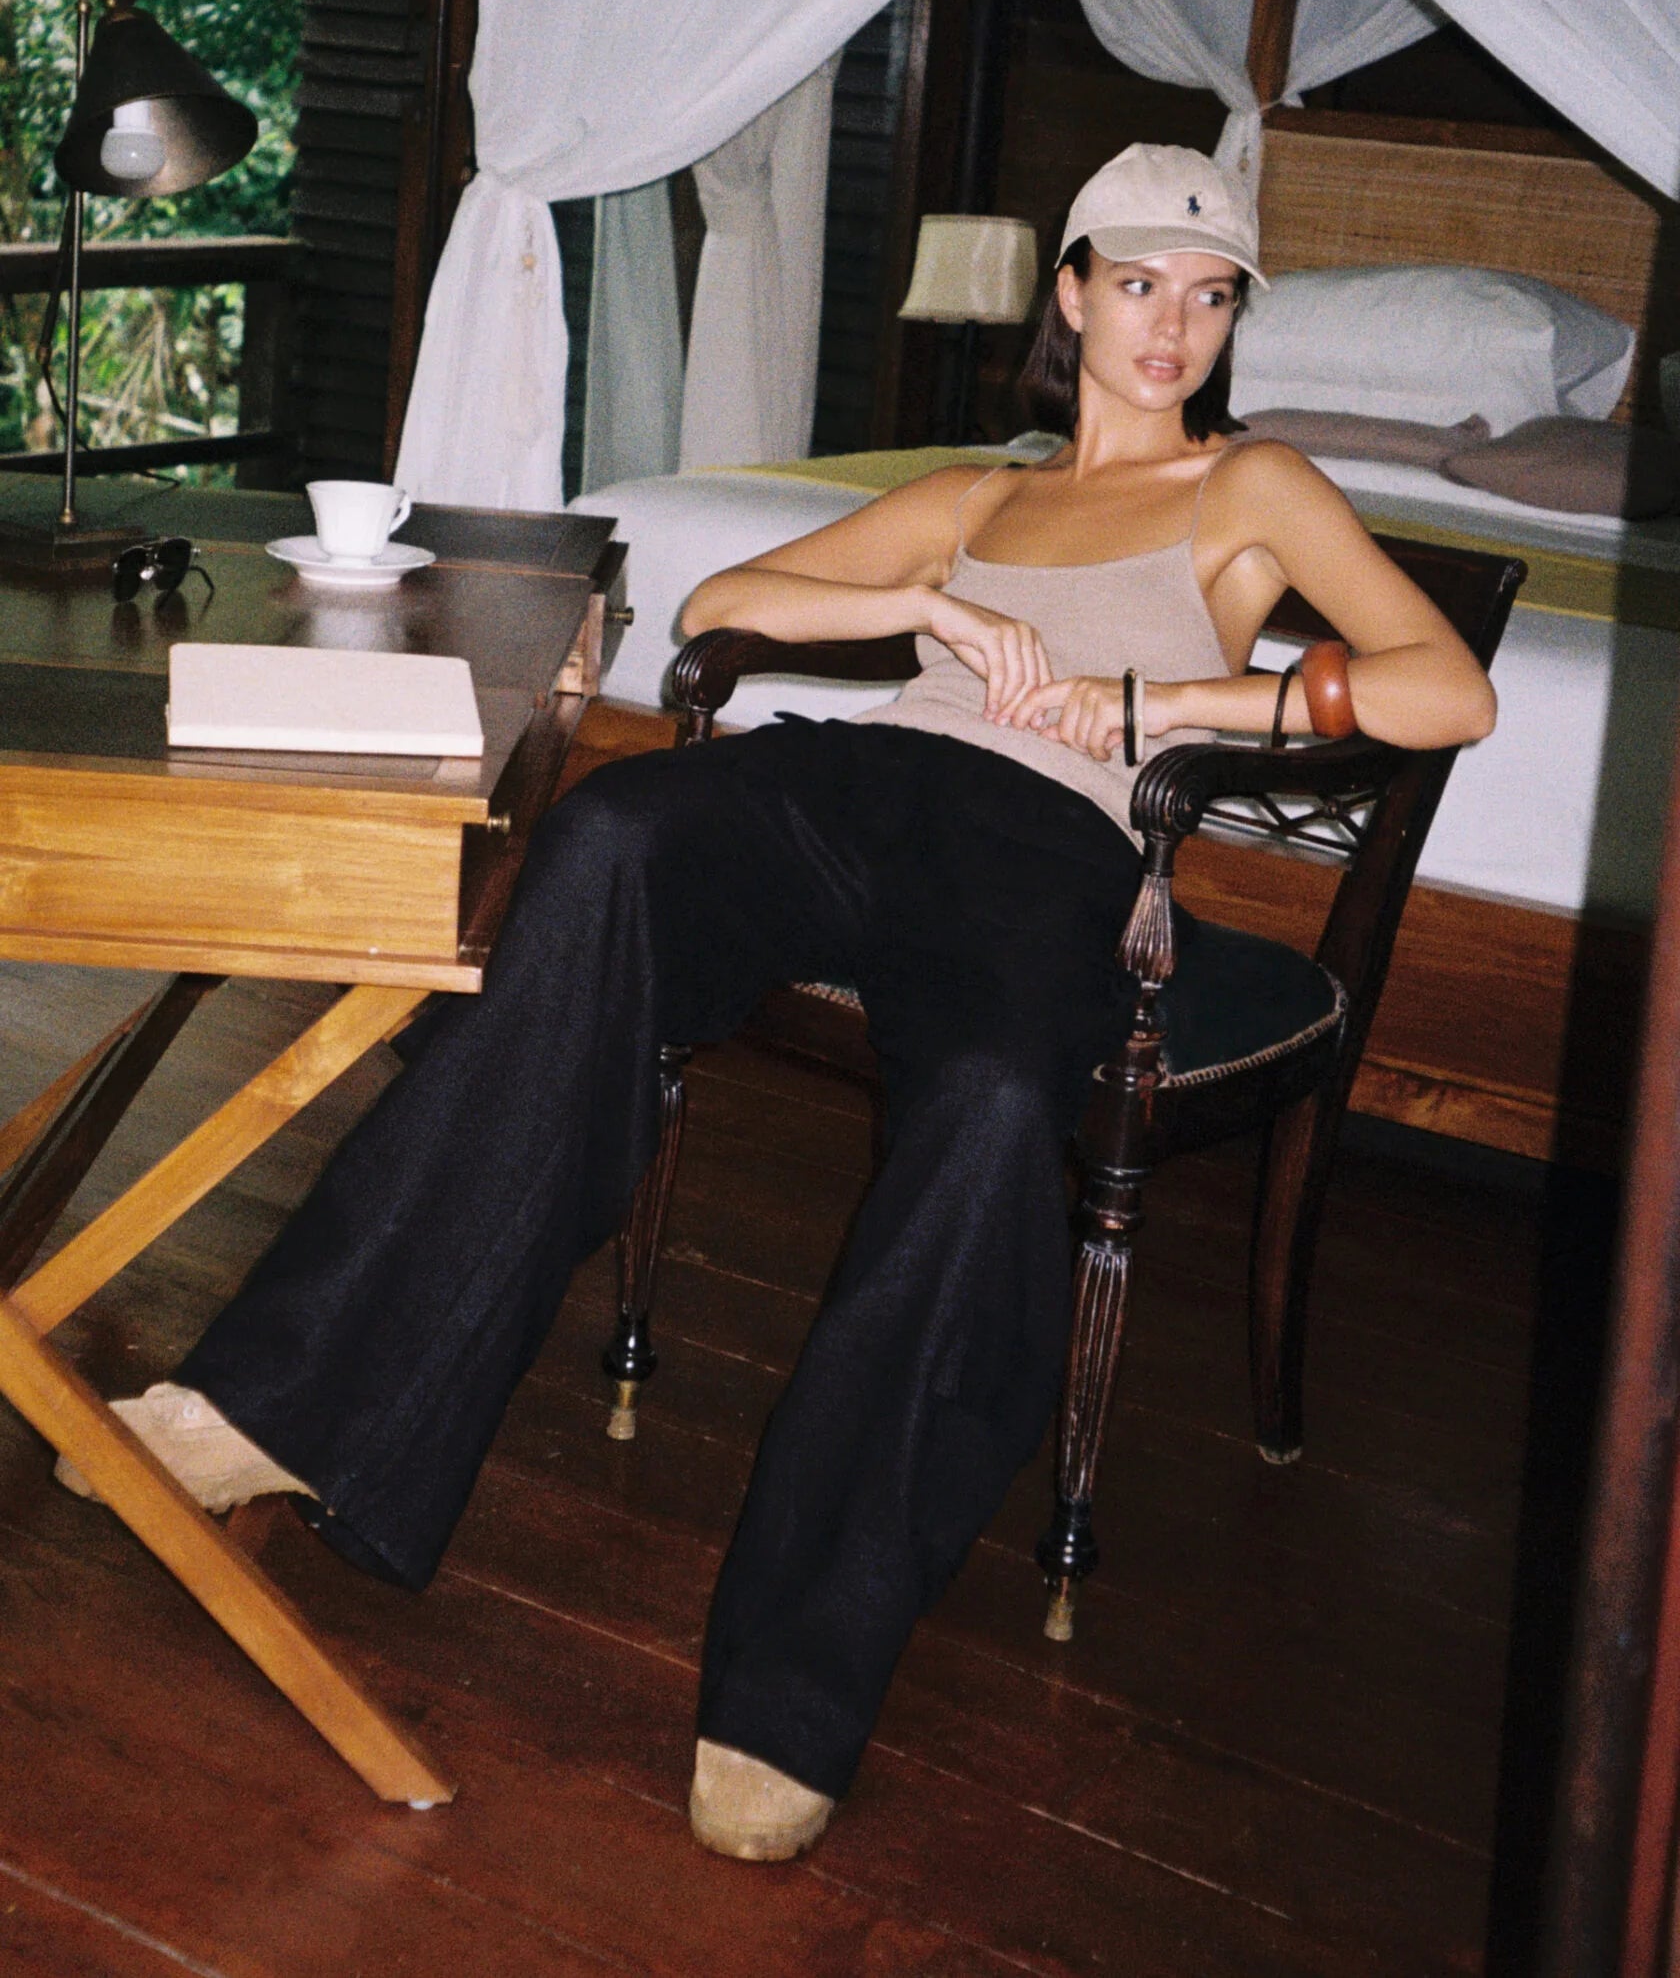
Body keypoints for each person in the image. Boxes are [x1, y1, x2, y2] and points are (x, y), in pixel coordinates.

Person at [59, 145, 1496, 1861]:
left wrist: (1165, 703)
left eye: (1208, 295)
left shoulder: (1250, 482)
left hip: (1049, 852)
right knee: (611, 836)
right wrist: (921, 600)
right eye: (1135, 283)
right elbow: (727, 603)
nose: (1169, 325)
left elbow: (1447, 688)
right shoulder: (978, 491)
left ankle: (795, 1688)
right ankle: (279, 1405)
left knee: (989, 1109)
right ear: (1071, 291)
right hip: (859, 792)